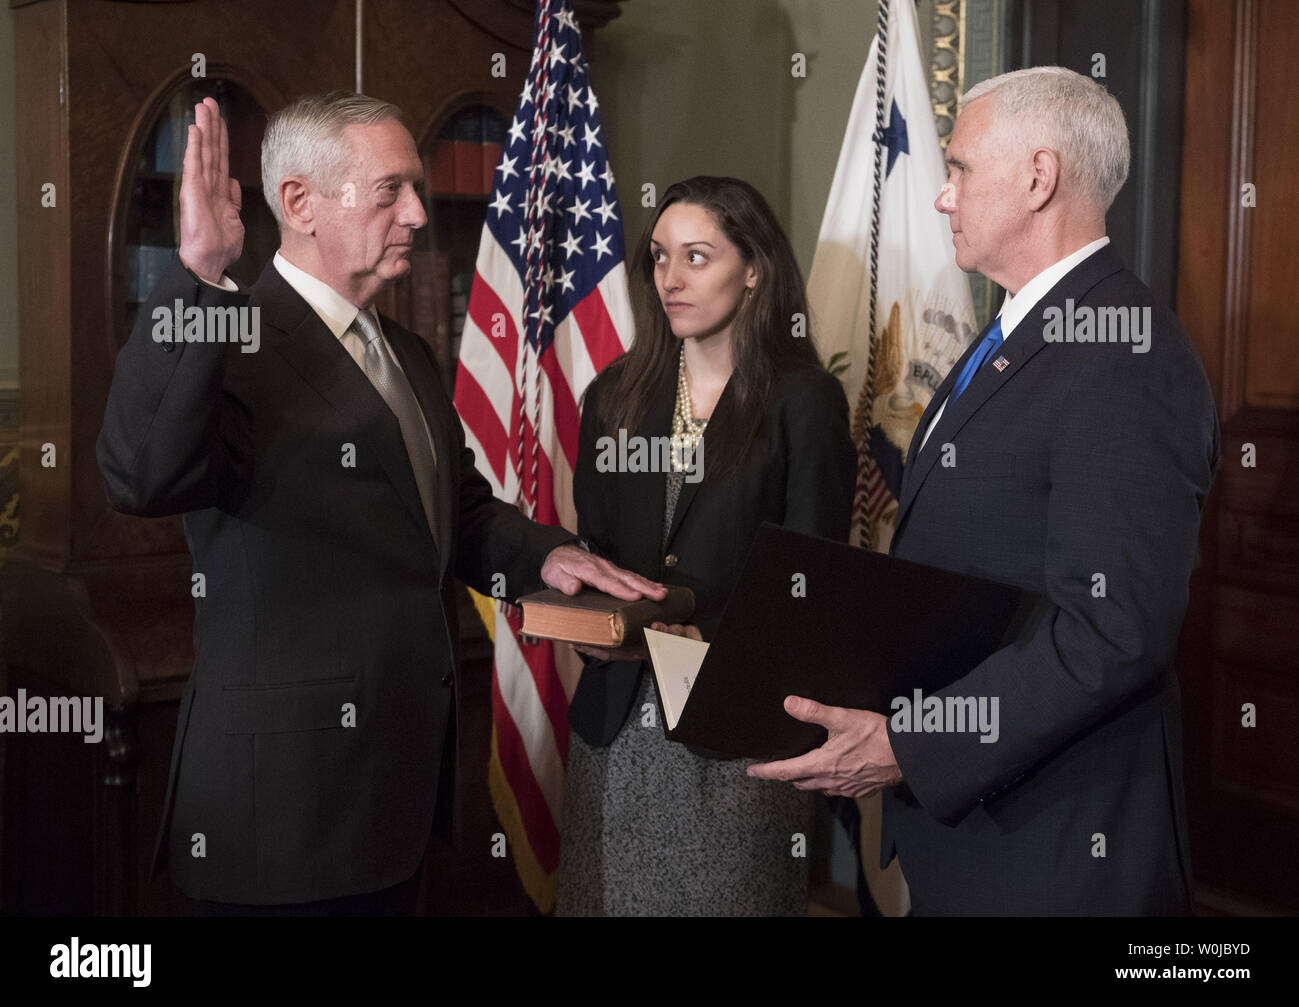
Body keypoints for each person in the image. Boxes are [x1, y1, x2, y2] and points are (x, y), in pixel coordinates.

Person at [96, 92, 664, 915]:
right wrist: (202, 276)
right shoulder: (231, 335)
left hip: (392, 798)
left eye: (419, 189)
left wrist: (546, 554)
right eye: (392, 189)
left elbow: (457, 512)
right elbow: (139, 475)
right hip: (280, 816)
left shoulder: (405, 349)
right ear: (299, 202)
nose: (420, 213)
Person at [749, 67, 1219, 915]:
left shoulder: (1125, 353)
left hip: (1060, 848)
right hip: (977, 836)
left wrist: (913, 743)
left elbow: (1112, 631)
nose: (940, 197)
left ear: (1039, 177)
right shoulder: (1015, 329)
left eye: (959, 168)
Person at [554, 176, 857, 916]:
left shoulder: (803, 400)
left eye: (696, 257)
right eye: (659, 258)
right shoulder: (615, 395)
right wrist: (596, 617)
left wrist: (696, 634)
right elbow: (597, 546)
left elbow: (814, 586)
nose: (671, 279)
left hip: (737, 736)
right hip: (617, 731)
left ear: (753, 268)